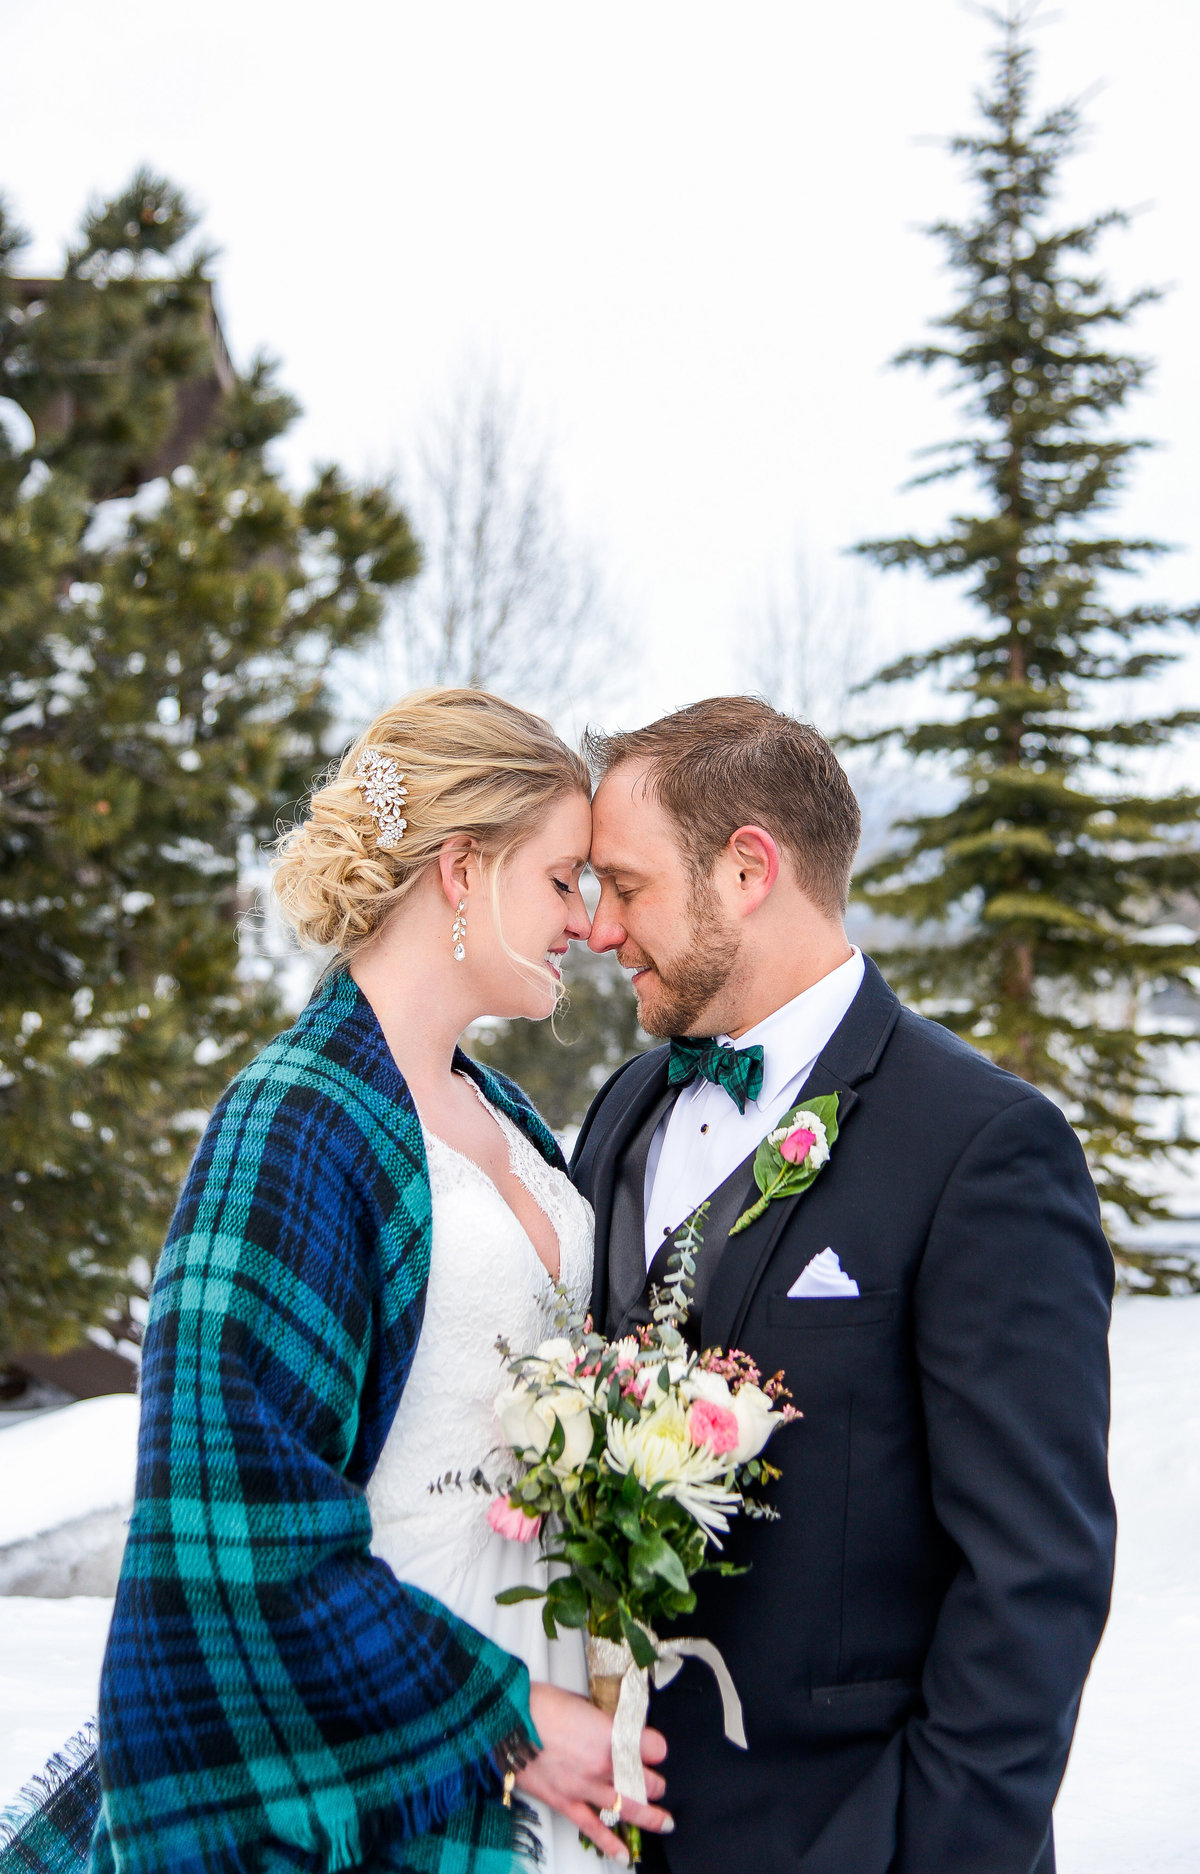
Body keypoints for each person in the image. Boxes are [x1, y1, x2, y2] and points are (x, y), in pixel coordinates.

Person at [2, 689, 669, 1874]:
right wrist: (498, 1717)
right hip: (383, 1729)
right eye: (562, 877)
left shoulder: (505, 1111)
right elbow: (235, 1512)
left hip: (554, 1688)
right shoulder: (293, 1117)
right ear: (462, 868)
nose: (584, 918)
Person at [571, 695, 1116, 1874]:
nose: (598, 927)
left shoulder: (983, 1144)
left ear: (749, 867)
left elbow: (1035, 1582)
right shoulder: (622, 1110)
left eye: (625, 885)